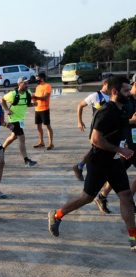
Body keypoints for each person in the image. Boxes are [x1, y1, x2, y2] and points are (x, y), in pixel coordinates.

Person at [48, 76, 136, 251]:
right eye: (126, 90)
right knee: (86, 198)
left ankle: (133, 238)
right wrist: (120, 150)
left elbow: (124, 123)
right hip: (98, 162)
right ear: (114, 92)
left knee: (125, 196)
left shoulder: (122, 108)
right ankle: (57, 215)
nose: (129, 93)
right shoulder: (105, 111)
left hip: (114, 162)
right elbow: (95, 140)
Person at [92, 73, 136, 214]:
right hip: (127, 141)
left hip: (131, 140)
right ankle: (125, 200)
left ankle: (106, 196)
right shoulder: (125, 100)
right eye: (127, 90)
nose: (128, 92)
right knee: (117, 173)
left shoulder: (129, 99)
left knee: (118, 172)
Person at [73, 77, 111, 181]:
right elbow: (80, 105)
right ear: (105, 83)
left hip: (110, 130)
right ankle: (81, 167)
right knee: (96, 150)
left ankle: (81, 167)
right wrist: (79, 121)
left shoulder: (114, 95)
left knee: (100, 151)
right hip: (97, 129)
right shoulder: (95, 96)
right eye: (111, 83)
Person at [1, 77, 37, 167]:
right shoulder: (13, 94)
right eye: (24, 83)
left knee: (13, 137)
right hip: (13, 119)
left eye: (27, 83)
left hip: (21, 119)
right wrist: (6, 110)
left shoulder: (28, 93)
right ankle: (26, 160)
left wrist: (33, 104)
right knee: (22, 138)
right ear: (19, 84)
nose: (27, 85)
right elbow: (2, 100)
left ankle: (1, 149)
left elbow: (27, 104)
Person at [32, 72, 54, 150]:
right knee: (38, 126)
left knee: (48, 126)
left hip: (44, 109)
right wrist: (33, 99)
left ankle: (51, 143)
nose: (36, 79)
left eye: (37, 78)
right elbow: (36, 97)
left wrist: (35, 97)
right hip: (37, 109)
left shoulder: (47, 86)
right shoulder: (38, 87)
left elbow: (45, 97)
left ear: (42, 78)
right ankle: (41, 142)